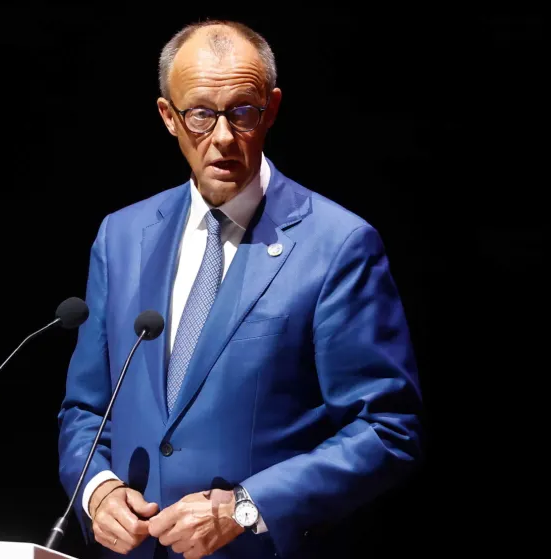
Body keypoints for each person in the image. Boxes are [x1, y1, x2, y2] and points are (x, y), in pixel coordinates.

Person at [56, 19, 423, 559]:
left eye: (243, 112)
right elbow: (87, 410)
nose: (223, 137)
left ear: (271, 110)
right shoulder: (122, 237)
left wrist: (247, 506)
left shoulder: (338, 245)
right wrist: (97, 491)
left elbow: (387, 429)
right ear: (169, 117)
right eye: (201, 114)